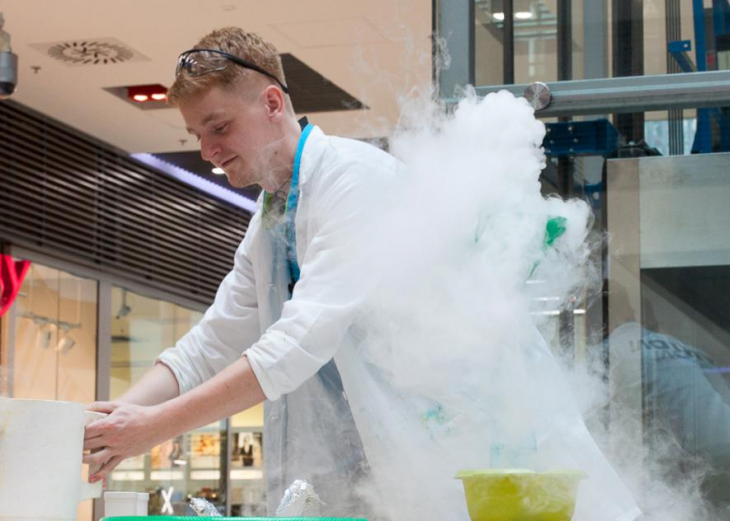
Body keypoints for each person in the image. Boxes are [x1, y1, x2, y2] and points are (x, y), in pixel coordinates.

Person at [83, 26, 386, 514]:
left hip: (414, 469)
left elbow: (297, 342)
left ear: (271, 103)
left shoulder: (354, 181)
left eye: (218, 128)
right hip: (334, 487)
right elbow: (211, 343)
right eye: (197, 135)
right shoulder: (271, 216)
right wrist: (109, 422)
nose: (207, 151)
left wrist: (152, 427)